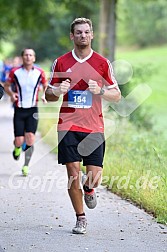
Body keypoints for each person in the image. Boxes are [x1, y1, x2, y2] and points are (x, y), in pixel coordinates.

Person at [45, 17, 121, 234]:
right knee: (73, 173)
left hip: (94, 127)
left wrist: (101, 91)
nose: (83, 36)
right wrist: (57, 91)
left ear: (92, 35)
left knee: (94, 175)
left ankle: (89, 189)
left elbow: (117, 95)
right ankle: (80, 218)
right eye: (78, 32)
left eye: (86, 32)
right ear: (72, 36)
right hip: (67, 125)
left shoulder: (102, 63)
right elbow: (48, 95)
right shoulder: (61, 62)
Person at [4, 48, 48, 176]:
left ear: (34, 58)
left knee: (30, 139)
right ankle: (17, 148)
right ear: (22, 57)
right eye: (26, 55)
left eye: (31, 55)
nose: (28, 57)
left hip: (33, 109)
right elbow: (6, 86)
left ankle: (26, 166)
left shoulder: (39, 72)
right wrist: (12, 95)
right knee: (19, 140)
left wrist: (44, 95)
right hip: (19, 109)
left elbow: (45, 85)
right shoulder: (15, 72)